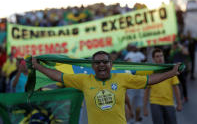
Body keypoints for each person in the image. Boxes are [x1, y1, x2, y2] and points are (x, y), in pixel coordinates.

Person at [32, 51, 181, 124]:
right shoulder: (84, 80)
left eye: (105, 62)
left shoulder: (123, 77)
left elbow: (149, 80)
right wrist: (38, 66)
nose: (101, 65)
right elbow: (58, 76)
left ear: (111, 64)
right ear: (92, 66)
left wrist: (171, 73)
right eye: (97, 63)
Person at [143, 48, 182, 124]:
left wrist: (179, 103)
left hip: (169, 103)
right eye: (157, 56)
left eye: (161, 55)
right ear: (153, 58)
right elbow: (146, 91)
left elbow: (176, 88)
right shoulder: (150, 72)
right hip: (155, 103)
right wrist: (144, 108)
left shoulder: (171, 70)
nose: (160, 58)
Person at [124, 45, 146, 123]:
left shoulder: (129, 55)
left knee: (129, 102)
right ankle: (137, 120)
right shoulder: (140, 54)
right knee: (138, 103)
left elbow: (127, 64)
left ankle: (128, 120)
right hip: (139, 81)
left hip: (132, 81)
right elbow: (144, 61)